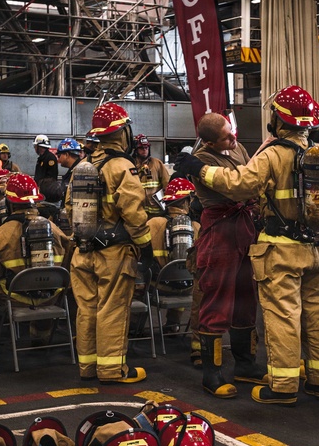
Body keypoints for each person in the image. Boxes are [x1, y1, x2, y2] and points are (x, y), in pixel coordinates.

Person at [176, 87, 319, 405]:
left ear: (278, 120)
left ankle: (283, 387)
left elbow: (238, 185)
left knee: (284, 316)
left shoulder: (273, 155)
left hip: (282, 249)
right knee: (317, 314)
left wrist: (199, 170)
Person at [66, 103, 154, 384]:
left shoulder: (83, 166)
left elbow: (68, 208)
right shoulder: (122, 167)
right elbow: (133, 211)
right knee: (112, 310)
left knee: (87, 310)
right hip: (113, 254)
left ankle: (87, 368)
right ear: (122, 133)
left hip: (82, 252)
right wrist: (145, 246)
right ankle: (112, 370)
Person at [184, 113, 259, 399]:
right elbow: (238, 185)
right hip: (219, 231)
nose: (233, 138)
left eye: (232, 132)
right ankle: (211, 374)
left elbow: (249, 177)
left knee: (245, 298)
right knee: (217, 301)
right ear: (209, 142)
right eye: (226, 137)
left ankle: (245, 364)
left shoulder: (237, 147)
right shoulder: (202, 160)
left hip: (243, 228)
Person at [0, 173, 70, 346]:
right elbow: (67, 264)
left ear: (9, 202)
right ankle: (41, 340)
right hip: (50, 295)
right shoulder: (53, 229)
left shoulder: (3, 233)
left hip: (15, 298)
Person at [145, 177, 200, 337]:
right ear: (186, 201)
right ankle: (173, 324)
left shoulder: (153, 224)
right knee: (185, 274)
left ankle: (135, 326)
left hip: (159, 288)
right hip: (188, 287)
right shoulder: (197, 227)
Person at [134, 134, 170, 219]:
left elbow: (167, 184)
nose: (144, 150)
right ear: (136, 150)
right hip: (138, 212)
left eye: (146, 148)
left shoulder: (157, 164)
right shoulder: (131, 165)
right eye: (141, 148)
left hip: (156, 212)